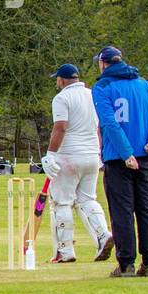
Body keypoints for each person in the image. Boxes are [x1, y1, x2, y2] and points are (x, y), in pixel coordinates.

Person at [92, 45, 148, 277]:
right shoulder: (144, 85)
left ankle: (126, 264)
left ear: (103, 64)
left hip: (119, 159)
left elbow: (109, 123)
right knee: (146, 209)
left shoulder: (102, 87)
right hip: (145, 155)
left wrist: (126, 154)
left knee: (122, 210)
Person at [42, 64, 113, 264]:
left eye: (57, 79)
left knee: (61, 202)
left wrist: (50, 154)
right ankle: (103, 235)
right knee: (87, 199)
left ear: (63, 80)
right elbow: (99, 127)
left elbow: (60, 128)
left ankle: (64, 251)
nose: (57, 82)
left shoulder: (62, 98)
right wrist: (99, 152)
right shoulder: (92, 94)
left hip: (68, 156)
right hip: (91, 155)